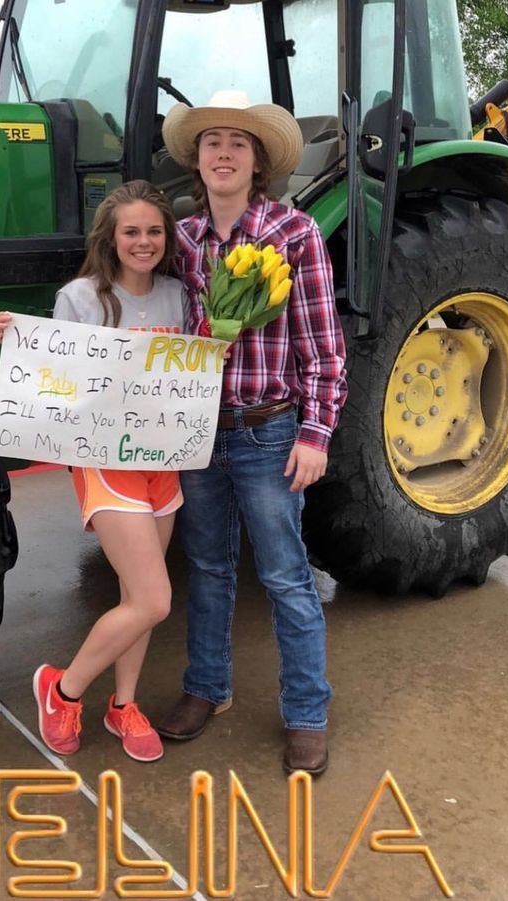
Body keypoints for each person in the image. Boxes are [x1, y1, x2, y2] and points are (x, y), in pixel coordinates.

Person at [156, 90, 348, 776]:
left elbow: (324, 349)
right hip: (200, 434)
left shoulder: (293, 235)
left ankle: (306, 712)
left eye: (239, 142)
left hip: (270, 431)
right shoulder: (182, 243)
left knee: (285, 575)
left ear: (258, 160)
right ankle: (208, 686)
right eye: (213, 143)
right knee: (206, 567)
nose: (225, 153)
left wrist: (316, 433)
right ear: (198, 160)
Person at [0, 180, 188, 762]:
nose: (143, 241)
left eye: (154, 231)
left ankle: (123, 706)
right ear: (111, 237)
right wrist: (23, 342)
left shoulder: (180, 295)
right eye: (131, 231)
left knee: (136, 594)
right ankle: (64, 688)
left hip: (163, 459)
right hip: (106, 462)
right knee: (154, 599)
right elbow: (61, 376)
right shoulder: (80, 297)